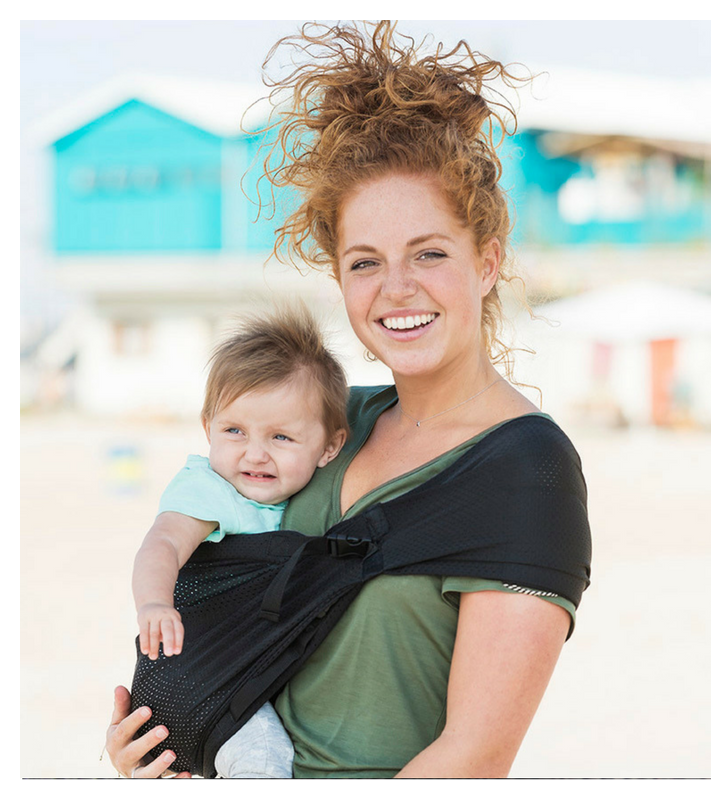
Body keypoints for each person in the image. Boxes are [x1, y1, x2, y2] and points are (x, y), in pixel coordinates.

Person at [106, 20, 591, 779]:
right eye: (366, 262)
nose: (397, 289)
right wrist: (164, 739)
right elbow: (215, 587)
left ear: (488, 262)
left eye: (430, 253)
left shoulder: (526, 471)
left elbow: (472, 758)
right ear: (340, 280)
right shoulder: (325, 425)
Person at [131, 308, 348, 778]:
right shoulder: (210, 488)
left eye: (281, 437)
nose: (254, 453)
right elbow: (163, 542)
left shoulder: (309, 499)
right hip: (197, 681)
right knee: (265, 760)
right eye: (234, 431)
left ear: (330, 448)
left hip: (236, 677)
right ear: (207, 426)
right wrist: (153, 603)